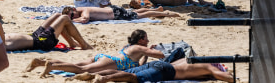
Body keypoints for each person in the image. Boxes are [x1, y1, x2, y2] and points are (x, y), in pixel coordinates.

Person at [27, 29, 165, 77]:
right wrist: (151, 50)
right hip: (112, 62)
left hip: (103, 57)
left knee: (74, 65)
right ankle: (51, 66)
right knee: (81, 70)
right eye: (146, 38)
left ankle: (40, 62)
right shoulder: (140, 48)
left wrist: (147, 54)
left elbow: (139, 64)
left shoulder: (129, 46)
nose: (148, 40)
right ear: (141, 40)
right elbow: (161, 55)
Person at [78, 59, 235, 82]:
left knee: (132, 72)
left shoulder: (190, 61)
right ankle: (103, 79)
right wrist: (231, 76)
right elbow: (223, 77)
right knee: (134, 78)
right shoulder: (208, 66)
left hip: (160, 64)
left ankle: (93, 75)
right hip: (166, 70)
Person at [1, 12, 93, 52]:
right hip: (41, 42)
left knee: (57, 15)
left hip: (34, 35)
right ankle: (84, 45)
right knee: (65, 18)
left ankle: (72, 43)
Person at [69, 5, 179, 23]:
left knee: (140, 16)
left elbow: (85, 19)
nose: (74, 17)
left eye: (72, 14)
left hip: (115, 14)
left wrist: (72, 20)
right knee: (133, 12)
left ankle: (168, 14)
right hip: (114, 10)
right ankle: (157, 10)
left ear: (74, 9)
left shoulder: (84, 11)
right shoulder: (81, 10)